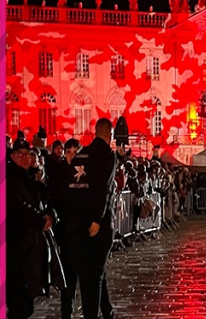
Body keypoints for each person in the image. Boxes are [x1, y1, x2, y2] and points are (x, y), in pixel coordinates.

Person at [65, 117, 118, 319]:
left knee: (94, 271)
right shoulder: (107, 155)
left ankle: (107, 311)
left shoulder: (81, 154)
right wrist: (97, 216)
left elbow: (72, 188)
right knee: (93, 277)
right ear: (110, 135)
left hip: (78, 222)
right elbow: (103, 187)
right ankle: (92, 315)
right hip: (99, 222)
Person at [7, 138, 62, 319]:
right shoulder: (10, 178)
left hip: (31, 246)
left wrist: (50, 216)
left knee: (27, 299)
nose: (24, 158)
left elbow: (47, 200)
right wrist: (40, 220)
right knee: (18, 299)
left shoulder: (32, 178)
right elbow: (17, 207)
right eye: (20, 154)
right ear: (13, 156)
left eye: (27, 154)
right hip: (16, 242)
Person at [49, 139, 82, 319]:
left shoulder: (83, 173)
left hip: (81, 232)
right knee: (68, 275)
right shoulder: (59, 173)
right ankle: (66, 311)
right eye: (68, 152)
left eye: (74, 152)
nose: (71, 156)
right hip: (66, 231)